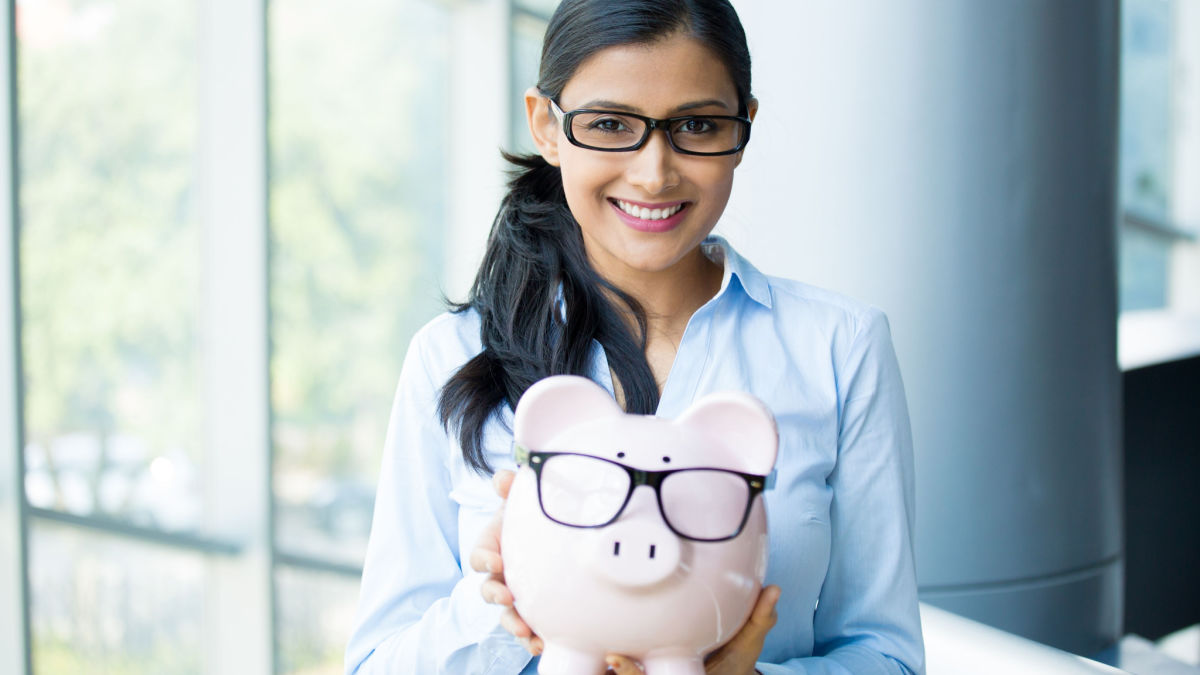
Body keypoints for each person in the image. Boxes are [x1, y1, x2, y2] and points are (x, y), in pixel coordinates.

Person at [345, 0, 924, 673]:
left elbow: (888, 656)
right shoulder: (451, 357)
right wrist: (502, 594)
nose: (654, 172)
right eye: (611, 124)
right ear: (547, 125)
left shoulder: (839, 349)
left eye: (697, 125)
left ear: (743, 129)